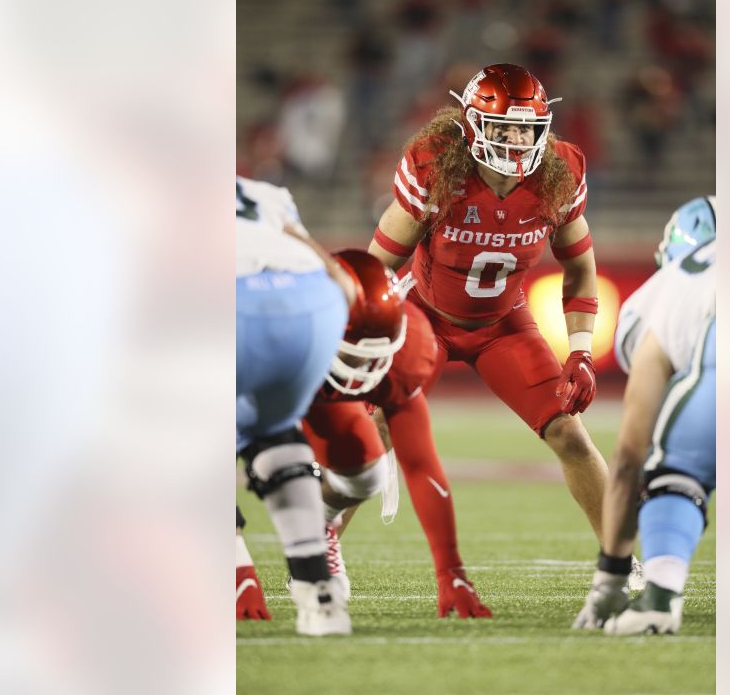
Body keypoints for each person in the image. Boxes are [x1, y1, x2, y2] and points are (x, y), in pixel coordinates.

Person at [367, 63, 614, 559]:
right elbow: (375, 269)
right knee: (373, 431)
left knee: (569, 434)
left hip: (503, 326)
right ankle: (318, 557)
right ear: (473, 124)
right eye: (504, 126)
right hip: (427, 317)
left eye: (527, 127)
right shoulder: (437, 168)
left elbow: (581, 271)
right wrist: (371, 336)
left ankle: (621, 561)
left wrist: (582, 352)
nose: (517, 139)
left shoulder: (557, 174)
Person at [303, 251, 493, 618]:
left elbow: (421, 464)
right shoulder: (266, 340)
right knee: (275, 464)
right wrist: (240, 569)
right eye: (357, 352)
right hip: (279, 379)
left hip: (319, 385)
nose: (365, 370)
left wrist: (450, 572)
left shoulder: (408, 345)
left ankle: (322, 526)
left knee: (365, 472)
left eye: (377, 353)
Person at [573, 196, 716, 635]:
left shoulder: (667, 288)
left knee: (675, 470)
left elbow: (628, 459)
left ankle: (659, 596)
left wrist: (611, 577)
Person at [235, 175, 357, 635]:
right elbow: (339, 279)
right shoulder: (260, 191)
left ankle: (236, 575)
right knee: (276, 434)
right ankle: (318, 594)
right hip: (313, 301)